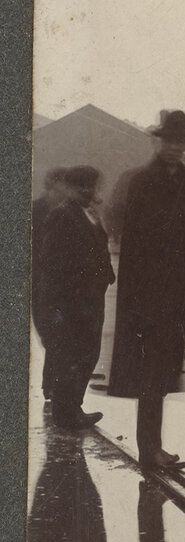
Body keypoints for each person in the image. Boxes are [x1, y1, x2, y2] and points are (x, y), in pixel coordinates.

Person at [106, 111, 185, 471]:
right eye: (169, 140)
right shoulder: (142, 181)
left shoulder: (184, 183)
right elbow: (131, 237)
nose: (175, 147)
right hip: (146, 295)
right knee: (150, 372)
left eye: (181, 141)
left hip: (174, 294)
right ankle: (148, 449)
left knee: (161, 373)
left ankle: (154, 446)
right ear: (158, 142)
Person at [38, 165, 114, 430]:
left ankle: (73, 408)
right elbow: (52, 262)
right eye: (81, 186)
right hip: (73, 301)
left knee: (87, 354)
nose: (87, 190)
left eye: (91, 185)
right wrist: (55, 304)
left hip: (91, 299)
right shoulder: (63, 215)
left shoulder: (88, 213)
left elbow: (100, 245)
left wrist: (107, 275)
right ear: (70, 188)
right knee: (72, 356)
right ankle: (66, 413)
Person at [31, 167, 70, 406]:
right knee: (50, 334)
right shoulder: (35, 210)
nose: (66, 190)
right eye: (63, 185)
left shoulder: (66, 211)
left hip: (59, 283)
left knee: (57, 334)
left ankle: (52, 387)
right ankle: (52, 386)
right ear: (52, 185)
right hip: (38, 282)